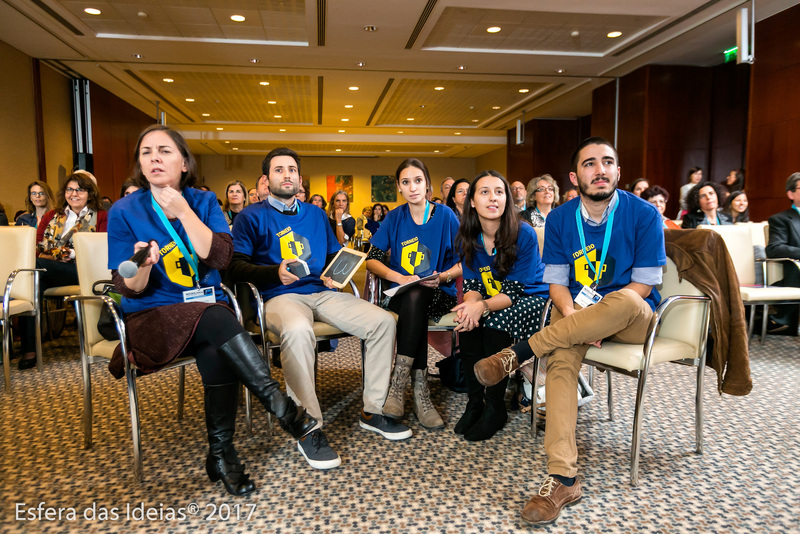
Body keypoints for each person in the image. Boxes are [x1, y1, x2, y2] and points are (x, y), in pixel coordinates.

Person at [106, 125, 316, 497]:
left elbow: (219, 257)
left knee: (216, 336)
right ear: (140, 163)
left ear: (184, 162)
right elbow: (128, 288)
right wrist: (142, 266)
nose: (155, 157)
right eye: (146, 152)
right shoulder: (124, 210)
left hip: (204, 316)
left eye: (165, 151)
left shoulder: (202, 203)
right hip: (151, 318)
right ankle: (280, 406)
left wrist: (184, 211)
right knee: (218, 318)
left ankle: (222, 454)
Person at [472, 137, 665, 526]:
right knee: (561, 364)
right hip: (575, 313)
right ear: (576, 177)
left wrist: (593, 319)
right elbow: (557, 284)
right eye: (590, 164)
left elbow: (643, 286)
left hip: (632, 320)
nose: (600, 170)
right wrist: (575, 316)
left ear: (618, 172)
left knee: (626, 300)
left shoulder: (643, 213)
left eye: (608, 162)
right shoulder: (560, 219)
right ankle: (563, 478)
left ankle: (521, 352)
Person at [228, 147, 411, 470]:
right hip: (278, 296)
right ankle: (307, 426)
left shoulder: (314, 215)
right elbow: (235, 267)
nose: (287, 175)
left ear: (300, 179)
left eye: (292, 170)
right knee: (298, 331)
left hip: (321, 292)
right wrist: (274, 272)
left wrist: (335, 272)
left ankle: (373, 409)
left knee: (383, 321)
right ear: (266, 179)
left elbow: (328, 256)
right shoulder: (249, 217)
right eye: (279, 170)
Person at [365, 158, 461, 430]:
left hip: (437, 291)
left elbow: (465, 261)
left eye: (417, 180)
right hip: (399, 290)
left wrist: (443, 276)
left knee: (417, 298)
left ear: (427, 184)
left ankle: (399, 385)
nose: (412, 187)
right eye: (405, 182)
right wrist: (400, 277)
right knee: (412, 297)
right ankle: (420, 393)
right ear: (398, 187)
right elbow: (372, 259)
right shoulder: (394, 217)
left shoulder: (445, 216)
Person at [452, 171, 548, 441]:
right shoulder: (468, 236)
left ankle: (495, 409)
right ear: (472, 201)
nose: (492, 197)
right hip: (495, 300)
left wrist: (480, 307)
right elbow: (472, 286)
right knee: (466, 322)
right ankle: (475, 403)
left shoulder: (524, 234)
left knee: (494, 321)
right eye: (484, 192)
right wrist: (470, 306)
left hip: (533, 301)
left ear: (507, 199)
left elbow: (515, 292)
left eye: (499, 191)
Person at [17, 172, 109, 370]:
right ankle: (30, 347)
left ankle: (30, 349)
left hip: (84, 269)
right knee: (29, 280)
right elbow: (36, 245)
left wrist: (74, 255)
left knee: (32, 269)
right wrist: (56, 255)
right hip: (50, 267)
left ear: (90, 193)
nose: (73, 193)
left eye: (79, 189)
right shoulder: (52, 215)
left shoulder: (101, 216)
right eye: (69, 189)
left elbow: (102, 247)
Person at [765, 172, 800, 331]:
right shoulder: (781, 219)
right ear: (791, 194)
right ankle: (779, 319)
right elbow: (774, 249)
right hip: (794, 272)